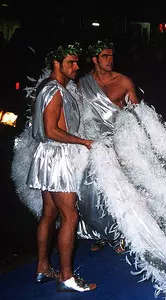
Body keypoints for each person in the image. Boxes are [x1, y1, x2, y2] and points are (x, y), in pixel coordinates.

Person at [26, 43, 96, 292]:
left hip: (47, 154)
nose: (76, 67)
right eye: (71, 62)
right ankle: (66, 277)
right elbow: (51, 129)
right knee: (70, 215)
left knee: (49, 213)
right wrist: (84, 141)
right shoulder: (55, 90)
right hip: (58, 155)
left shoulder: (47, 86)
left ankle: (43, 268)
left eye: (77, 62)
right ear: (57, 64)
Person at [77, 40, 139, 253]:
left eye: (112, 55)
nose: (110, 59)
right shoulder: (82, 83)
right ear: (95, 59)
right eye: (105, 56)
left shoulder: (124, 82)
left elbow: (138, 115)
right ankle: (102, 232)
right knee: (92, 192)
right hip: (91, 144)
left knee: (120, 191)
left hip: (117, 143)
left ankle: (123, 234)